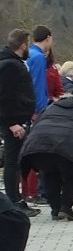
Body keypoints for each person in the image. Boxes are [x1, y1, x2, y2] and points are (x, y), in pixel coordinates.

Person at [20, 92, 73, 221]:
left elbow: (35, 126)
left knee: (49, 173)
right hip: (69, 145)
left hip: (38, 146)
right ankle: (66, 207)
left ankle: (55, 209)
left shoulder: (49, 108)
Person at [0, 29, 41, 218]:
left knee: (16, 161)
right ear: (23, 45)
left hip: (18, 119)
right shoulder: (10, 65)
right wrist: (12, 123)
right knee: (12, 162)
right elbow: (5, 97)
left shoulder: (12, 63)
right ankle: (14, 202)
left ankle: (16, 199)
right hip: (13, 122)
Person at [26, 26, 52, 116]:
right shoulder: (39, 57)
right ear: (48, 38)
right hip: (35, 110)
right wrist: (39, 110)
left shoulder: (28, 53)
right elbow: (38, 84)